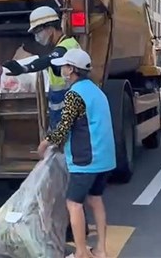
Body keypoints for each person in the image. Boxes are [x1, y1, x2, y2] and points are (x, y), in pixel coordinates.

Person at [37, 48, 115, 258]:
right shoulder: (97, 91)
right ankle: (101, 249)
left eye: (64, 66)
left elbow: (63, 128)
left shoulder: (74, 95)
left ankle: (81, 252)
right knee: (96, 199)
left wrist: (45, 143)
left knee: (73, 203)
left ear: (72, 69)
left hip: (85, 159)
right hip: (105, 159)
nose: (62, 69)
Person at [3, 6, 80, 129]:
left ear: (49, 29)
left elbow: (49, 59)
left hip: (68, 113)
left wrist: (25, 69)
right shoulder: (63, 45)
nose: (36, 37)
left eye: (37, 32)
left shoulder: (67, 46)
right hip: (61, 113)